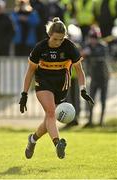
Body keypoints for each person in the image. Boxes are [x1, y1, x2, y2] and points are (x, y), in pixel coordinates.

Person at [19, 17, 94, 159]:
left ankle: (32, 139)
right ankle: (57, 143)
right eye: (55, 39)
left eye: (61, 39)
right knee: (52, 113)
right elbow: (30, 72)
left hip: (61, 86)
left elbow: (79, 70)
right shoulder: (40, 48)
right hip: (43, 83)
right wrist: (24, 94)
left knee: (49, 117)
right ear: (49, 35)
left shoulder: (70, 47)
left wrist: (83, 89)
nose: (58, 43)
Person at [82, 26, 110, 127]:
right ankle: (90, 121)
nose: (93, 39)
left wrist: (90, 53)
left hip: (104, 77)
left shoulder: (103, 46)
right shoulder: (87, 46)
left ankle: (101, 121)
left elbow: (102, 58)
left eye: (94, 37)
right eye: (91, 37)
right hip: (94, 77)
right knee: (91, 99)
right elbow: (82, 57)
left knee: (103, 100)